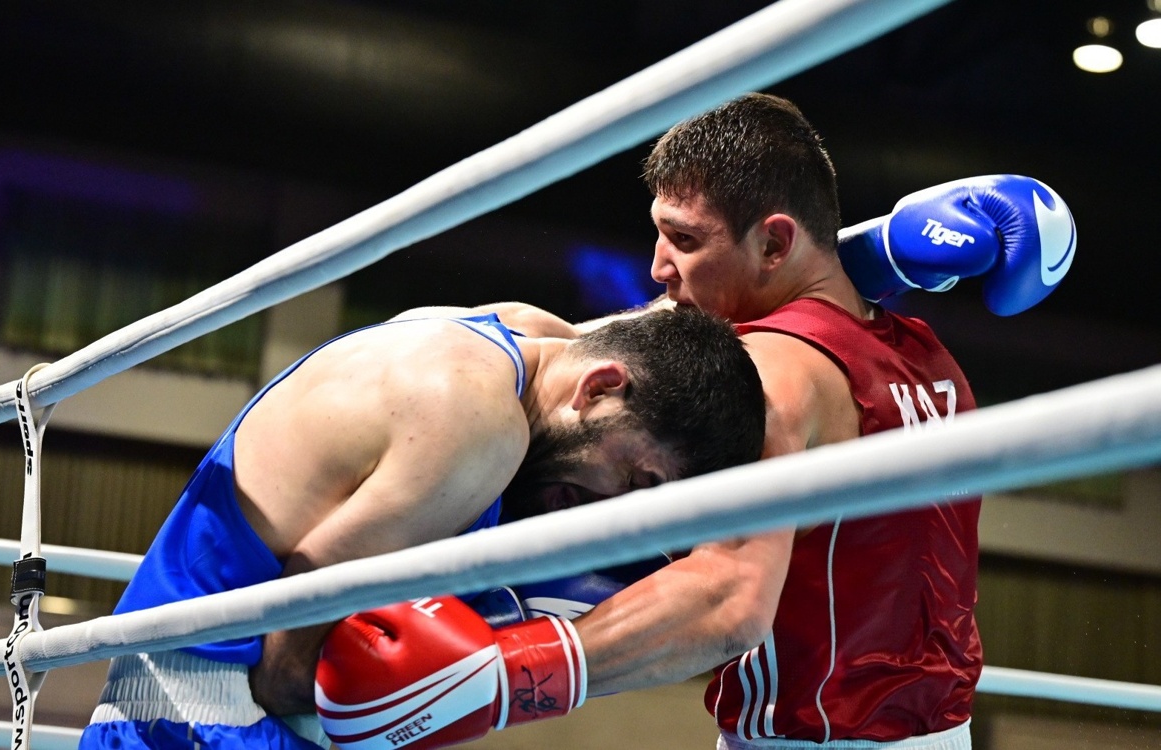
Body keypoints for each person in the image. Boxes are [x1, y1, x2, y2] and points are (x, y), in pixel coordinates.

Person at [320, 93, 1074, 749]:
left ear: (775, 242)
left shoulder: (770, 375)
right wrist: (871, 255)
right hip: (938, 734)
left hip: (811, 739)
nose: (657, 266)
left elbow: (727, 600)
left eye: (683, 239)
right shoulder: (925, 355)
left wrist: (505, 676)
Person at [77, 303, 767, 749]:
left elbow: (633, 337)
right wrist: (422, 701)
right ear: (599, 389)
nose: (611, 505)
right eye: (636, 479)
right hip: (214, 710)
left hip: (171, 689)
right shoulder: (478, 427)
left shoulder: (516, 332)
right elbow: (289, 666)